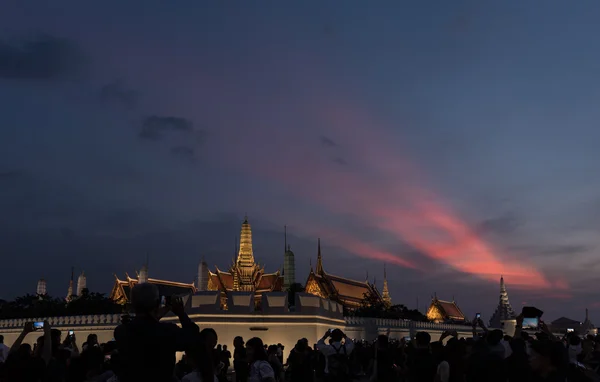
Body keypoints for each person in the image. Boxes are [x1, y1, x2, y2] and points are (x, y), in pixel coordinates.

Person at [114, 283, 200, 382]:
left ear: (133, 304)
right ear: (157, 303)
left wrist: (159, 311)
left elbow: (144, 323)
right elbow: (193, 336)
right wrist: (181, 313)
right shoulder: (168, 331)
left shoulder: (121, 331)